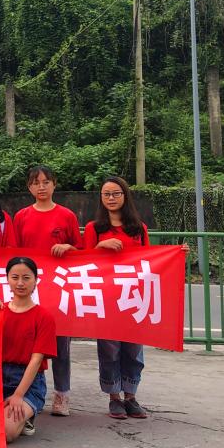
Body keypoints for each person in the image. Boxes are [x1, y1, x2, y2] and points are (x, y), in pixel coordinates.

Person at [13, 165, 82, 417]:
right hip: (28, 289)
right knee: (26, 344)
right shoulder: (21, 216)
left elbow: (81, 251)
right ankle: (27, 391)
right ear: (29, 187)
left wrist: (68, 247)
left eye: (46, 182)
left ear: (54, 184)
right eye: (35, 183)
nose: (41, 187)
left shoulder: (67, 215)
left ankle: (62, 393)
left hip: (59, 289)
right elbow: (14, 253)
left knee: (60, 343)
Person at [85, 176, 150, 420]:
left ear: (125, 196)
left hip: (134, 298)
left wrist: (177, 253)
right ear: (101, 198)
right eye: (106, 194)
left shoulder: (139, 228)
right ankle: (114, 397)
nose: (111, 198)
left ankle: (131, 396)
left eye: (116, 193)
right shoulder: (94, 228)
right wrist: (100, 247)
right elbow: (84, 262)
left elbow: (150, 261)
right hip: (107, 299)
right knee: (109, 350)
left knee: (134, 350)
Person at [0, 256, 58, 442]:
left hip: (29, 382)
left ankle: (27, 415)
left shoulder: (44, 317)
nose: (20, 283)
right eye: (15, 277)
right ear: (7, 280)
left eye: (26, 278)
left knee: (6, 433)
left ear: (35, 281)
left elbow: (36, 361)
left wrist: (18, 395)